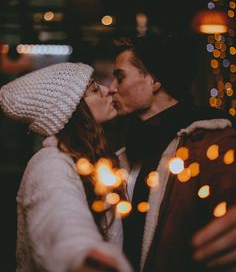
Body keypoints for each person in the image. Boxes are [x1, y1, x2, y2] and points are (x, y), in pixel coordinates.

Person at [109, 35, 236, 272]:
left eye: (120, 77)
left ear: (154, 80)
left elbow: (227, 187)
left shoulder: (207, 138)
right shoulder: (128, 146)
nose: (112, 88)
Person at [0, 62, 132, 272]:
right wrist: (83, 256)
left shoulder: (92, 159)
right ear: (73, 109)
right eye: (94, 89)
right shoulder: (49, 164)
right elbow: (61, 218)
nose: (108, 90)